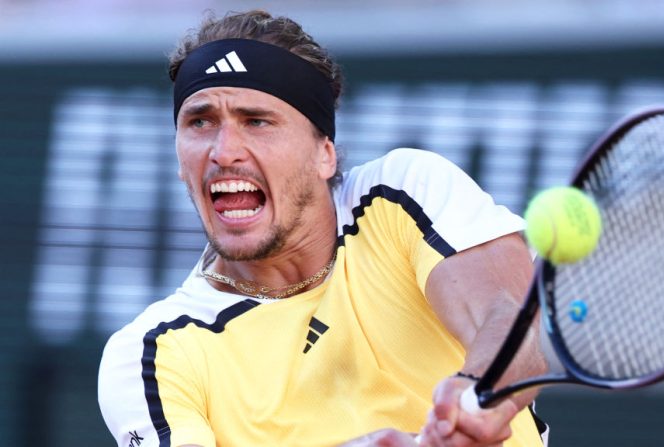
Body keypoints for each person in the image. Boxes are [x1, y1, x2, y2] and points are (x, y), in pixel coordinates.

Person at [98, 9, 547, 447]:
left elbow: (509, 318)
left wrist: (479, 394)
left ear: (324, 154)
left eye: (257, 121)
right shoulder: (151, 354)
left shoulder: (400, 195)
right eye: (200, 121)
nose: (224, 151)